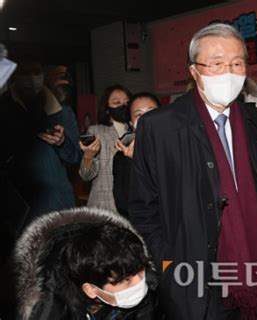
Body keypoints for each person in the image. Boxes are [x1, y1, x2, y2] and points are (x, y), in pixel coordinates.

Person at [129, 23, 257, 319]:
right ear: (194, 71)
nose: (229, 73)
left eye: (237, 63)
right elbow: (143, 207)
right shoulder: (160, 126)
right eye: (217, 64)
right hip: (193, 275)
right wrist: (168, 264)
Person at [14, 207, 160, 320]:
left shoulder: (151, 291)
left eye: (141, 270)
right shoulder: (51, 309)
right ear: (91, 290)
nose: (141, 283)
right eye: (126, 280)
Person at [0, 61, 81, 222]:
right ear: (15, 75)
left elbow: (75, 157)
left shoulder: (61, 110)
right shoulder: (4, 108)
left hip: (56, 205)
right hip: (17, 209)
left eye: (36, 72)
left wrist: (62, 142)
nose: (31, 77)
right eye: (25, 72)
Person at [79, 84, 132, 212]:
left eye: (127, 102)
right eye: (117, 102)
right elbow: (86, 176)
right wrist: (88, 156)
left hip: (131, 204)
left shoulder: (137, 131)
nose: (123, 106)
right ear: (107, 108)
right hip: (104, 204)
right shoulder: (97, 131)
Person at [113, 92, 160, 217]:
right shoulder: (122, 158)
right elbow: (124, 204)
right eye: (139, 115)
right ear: (131, 123)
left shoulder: (180, 146)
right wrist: (136, 162)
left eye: (152, 111)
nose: (146, 118)